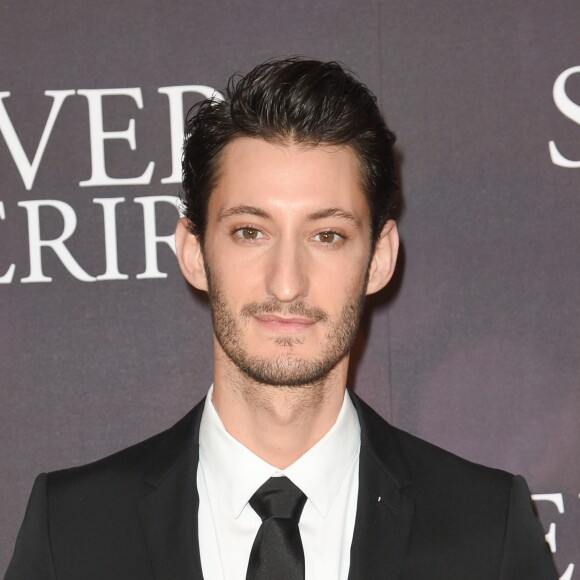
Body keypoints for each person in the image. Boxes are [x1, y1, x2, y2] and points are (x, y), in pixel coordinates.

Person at [5, 58, 557, 580]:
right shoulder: (74, 531)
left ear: (380, 258)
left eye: (327, 235)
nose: (286, 283)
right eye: (250, 231)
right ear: (194, 252)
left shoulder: (487, 532)